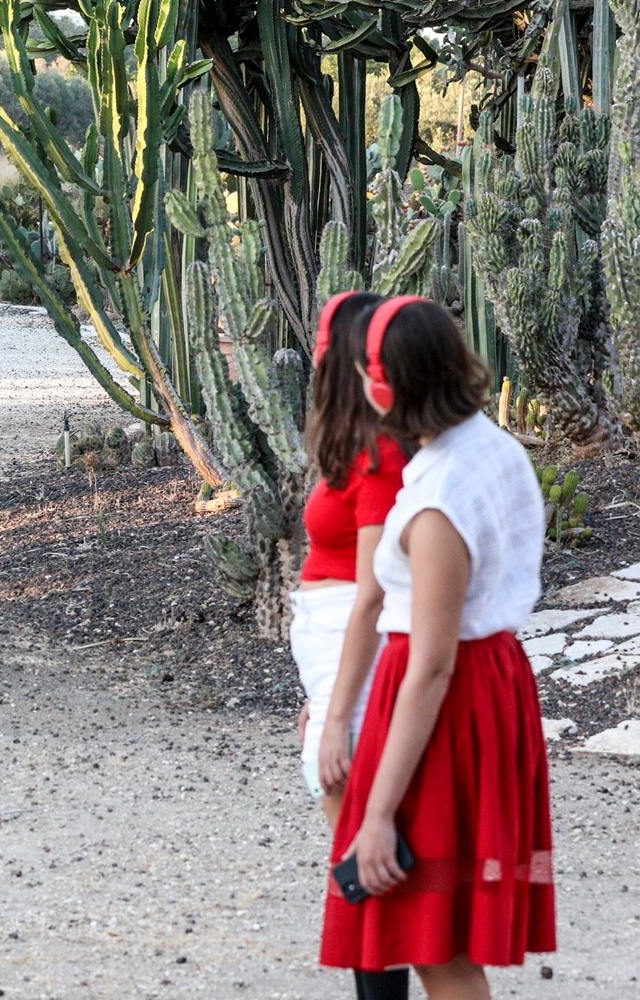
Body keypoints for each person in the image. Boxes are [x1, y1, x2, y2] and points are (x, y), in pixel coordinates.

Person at [320, 296, 556, 1000]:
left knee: (434, 945)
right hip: (488, 689)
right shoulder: (490, 446)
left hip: (444, 710)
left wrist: (380, 813)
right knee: (441, 935)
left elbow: (431, 664)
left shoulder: (437, 500)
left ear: (387, 385)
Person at [290, 290, 410, 1000]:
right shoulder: (352, 443)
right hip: (334, 661)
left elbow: (373, 592)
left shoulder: (376, 454)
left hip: (352, 660)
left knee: (364, 859)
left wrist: (337, 711)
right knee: (358, 853)